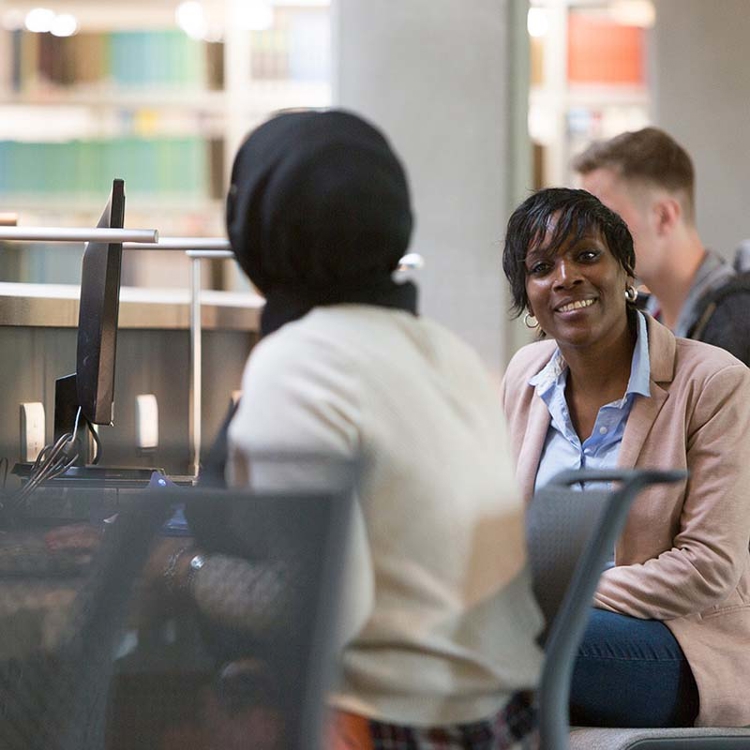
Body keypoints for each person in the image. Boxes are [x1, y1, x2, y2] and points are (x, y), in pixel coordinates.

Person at [198, 108, 543, 749]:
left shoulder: (297, 361)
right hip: (500, 723)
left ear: (259, 230)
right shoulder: (446, 351)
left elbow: (316, 605)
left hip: (392, 727)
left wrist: (177, 569)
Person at [500, 187, 750, 729]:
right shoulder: (524, 376)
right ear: (527, 294)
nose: (566, 277)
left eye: (587, 255)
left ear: (626, 270)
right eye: (542, 266)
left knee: (514, 640)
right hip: (546, 626)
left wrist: (558, 598)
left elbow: (708, 565)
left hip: (681, 642)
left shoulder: (714, 382)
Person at [572, 126, 750, 366]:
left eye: (605, 218)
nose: (589, 237)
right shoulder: (641, 318)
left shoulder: (735, 324)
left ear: (664, 217)